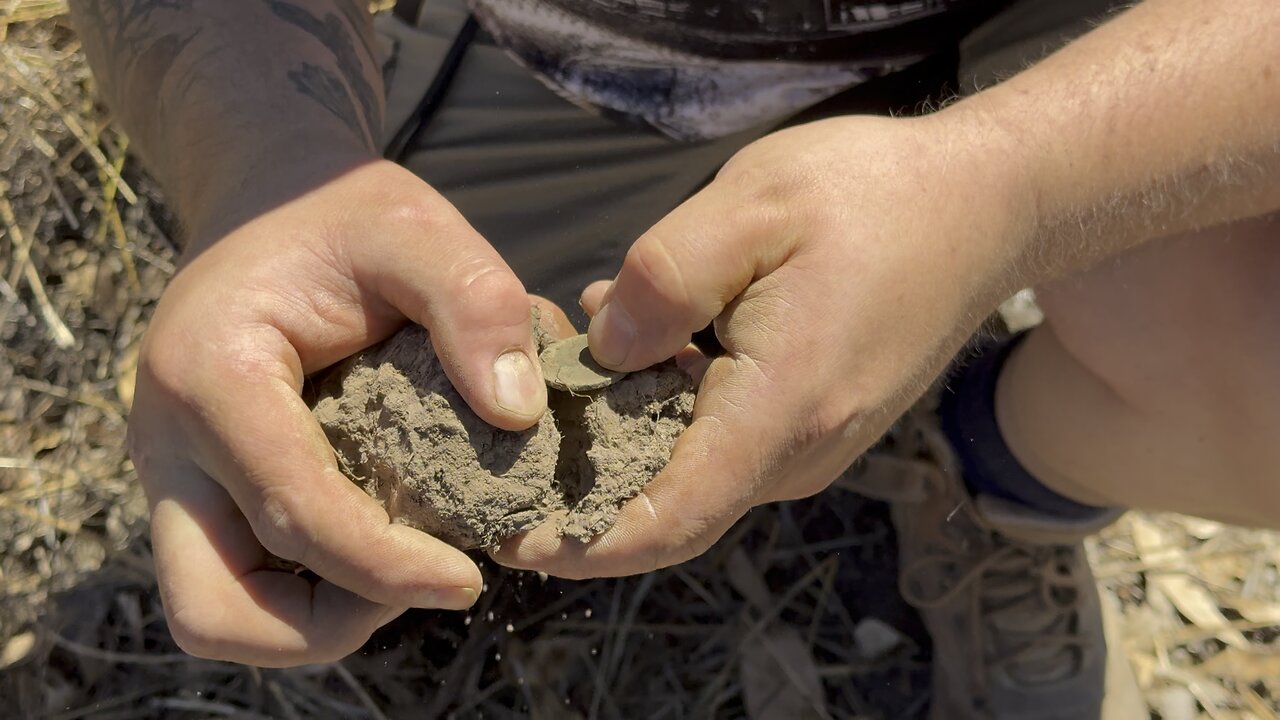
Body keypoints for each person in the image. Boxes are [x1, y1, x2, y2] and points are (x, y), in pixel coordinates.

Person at [68, 0, 1278, 717]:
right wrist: (265, 166)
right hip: (606, 55)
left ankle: (991, 473)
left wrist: (1009, 182)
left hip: (1123, 33)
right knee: (360, 428)